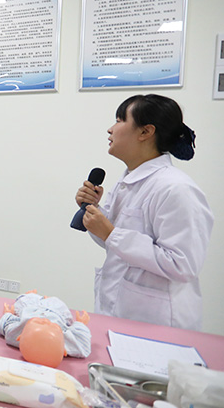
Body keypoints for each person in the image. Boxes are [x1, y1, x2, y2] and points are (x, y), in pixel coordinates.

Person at [74, 94, 213, 331]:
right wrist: (95, 212)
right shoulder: (128, 181)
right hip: (120, 313)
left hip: (160, 323)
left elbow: (183, 265)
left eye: (120, 120)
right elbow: (114, 243)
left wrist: (111, 233)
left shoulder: (176, 188)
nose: (110, 129)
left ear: (145, 132)